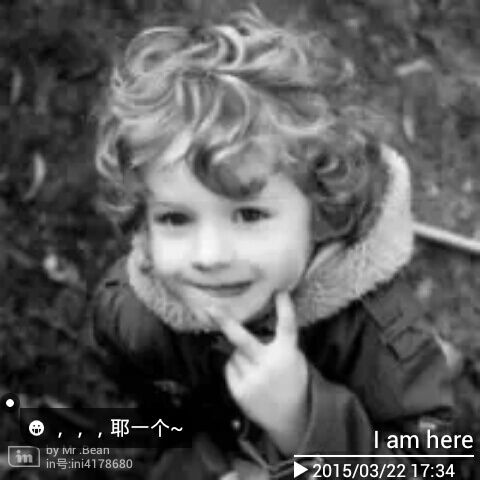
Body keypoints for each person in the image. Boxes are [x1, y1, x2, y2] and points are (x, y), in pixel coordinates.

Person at [90, 6, 455, 479]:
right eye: (175, 218)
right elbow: (142, 399)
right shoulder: (132, 308)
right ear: (142, 222)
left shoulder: (380, 336)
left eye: (249, 214)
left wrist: (303, 421)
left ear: (320, 212)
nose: (209, 256)